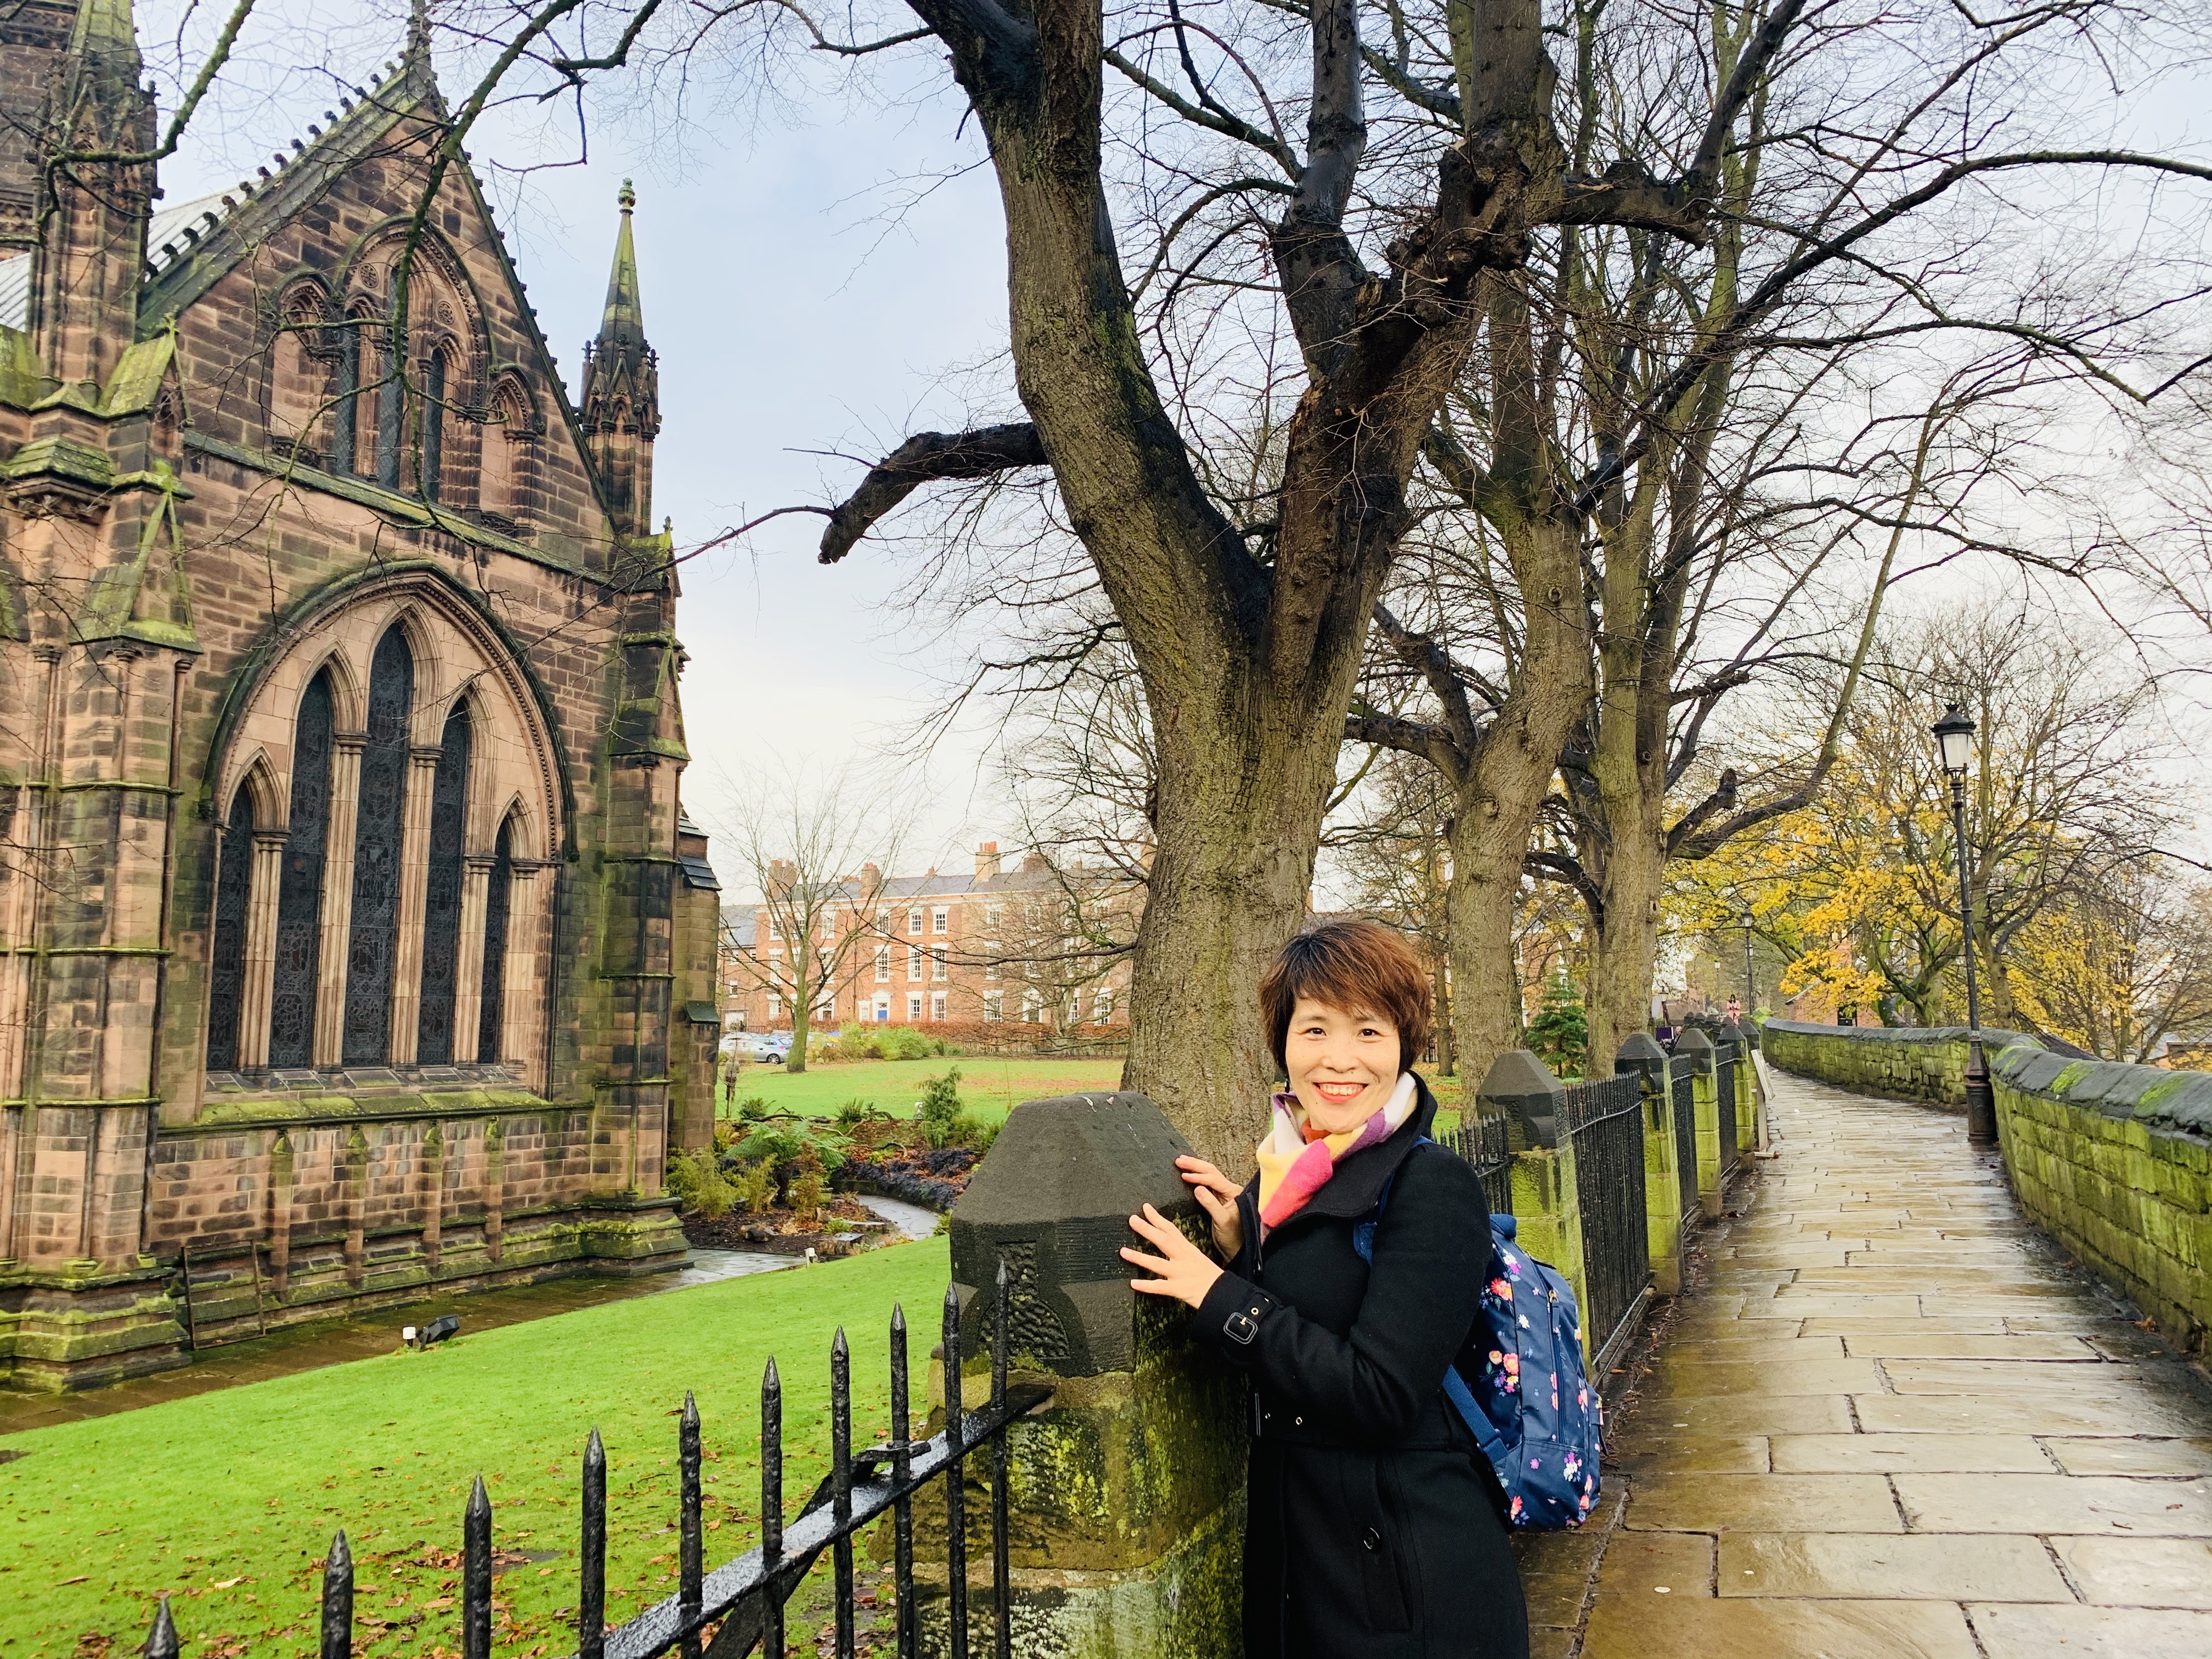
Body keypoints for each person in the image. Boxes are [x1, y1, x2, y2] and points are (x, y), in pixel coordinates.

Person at [1121, 919, 1530, 1658]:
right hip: (1308, 1563)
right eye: (1315, 1029)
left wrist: (1219, 1295)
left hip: (1408, 1580)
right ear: (1283, 1042)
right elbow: (1314, 1310)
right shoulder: (1290, 1176)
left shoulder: (1431, 1185)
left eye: (1368, 1031)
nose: (1339, 1059)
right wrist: (1246, 1247)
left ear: (1404, 1046)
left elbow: (1381, 1393)